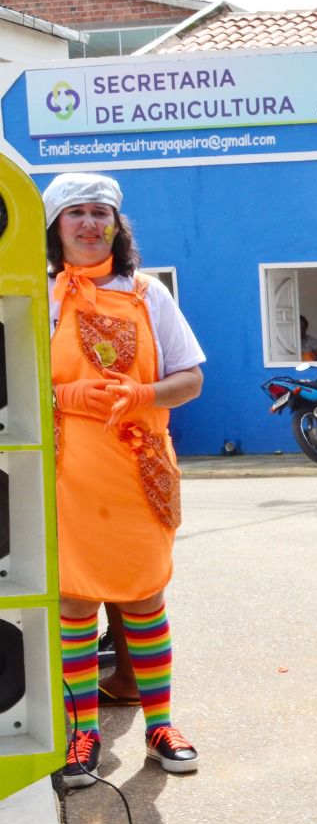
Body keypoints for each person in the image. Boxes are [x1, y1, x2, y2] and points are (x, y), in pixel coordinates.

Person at [47, 173, 206, 787]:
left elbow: (190, 378)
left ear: (117, 224)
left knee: (144, 596)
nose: (90, 224)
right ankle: (82, 731)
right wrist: (64, 394)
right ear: (56, 226)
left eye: (101, 213)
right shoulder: (39, 297)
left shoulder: (147, 294)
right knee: (74, 602)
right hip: (66, 476)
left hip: (138, 472)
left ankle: (161, 722)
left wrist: (144, 392)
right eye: (76, 213)